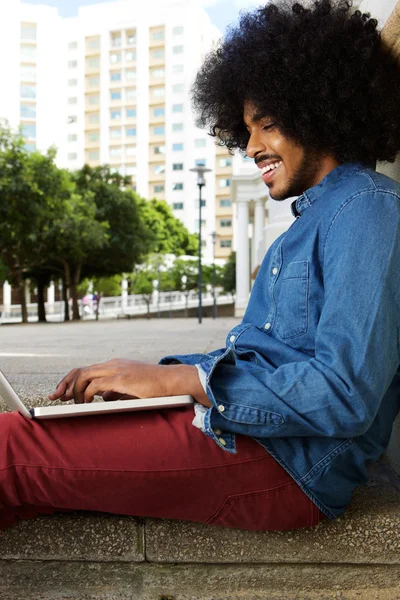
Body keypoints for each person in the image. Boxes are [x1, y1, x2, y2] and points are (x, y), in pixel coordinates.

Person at [1, 0, 400, 532]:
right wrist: (140, 376)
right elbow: (257, 359)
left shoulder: (368, 206)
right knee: (21, 479)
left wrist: (181, 381)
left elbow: (346, 393)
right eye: (246, 130)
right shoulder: (303, 227)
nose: (252, 147)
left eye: (269, 125)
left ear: (321, 112)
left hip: (286, 464)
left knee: (10, 450)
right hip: (248, 436)